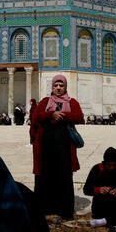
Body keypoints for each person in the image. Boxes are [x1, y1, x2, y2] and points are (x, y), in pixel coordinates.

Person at [30, 75, 84, 218]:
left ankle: (64, 210)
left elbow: (79, 117)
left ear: (65, 87)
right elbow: (36, 117)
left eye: (61, 86)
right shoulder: (45, 102)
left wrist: (61, 116)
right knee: (45, 176)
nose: (58, 88)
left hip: (64, 146)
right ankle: (44, 208)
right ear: (52, 87)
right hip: (45, 147)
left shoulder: (72, 102)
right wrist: (50, 114)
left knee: (64, 176)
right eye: (56, 86)